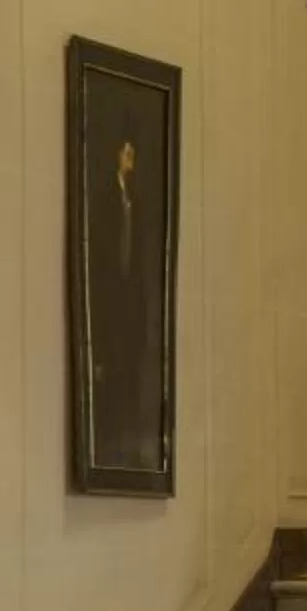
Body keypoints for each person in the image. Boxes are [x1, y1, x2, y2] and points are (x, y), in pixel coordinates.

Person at [87, 132, 168, 479]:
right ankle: (110, 444)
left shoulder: (137, 199)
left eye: (135, 152)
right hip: (113, 291)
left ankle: (128, 446)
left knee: (132, 365)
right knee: (113, 371)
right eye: (127, 152)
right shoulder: (106, 197)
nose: (131, 158)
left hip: (131, 296)